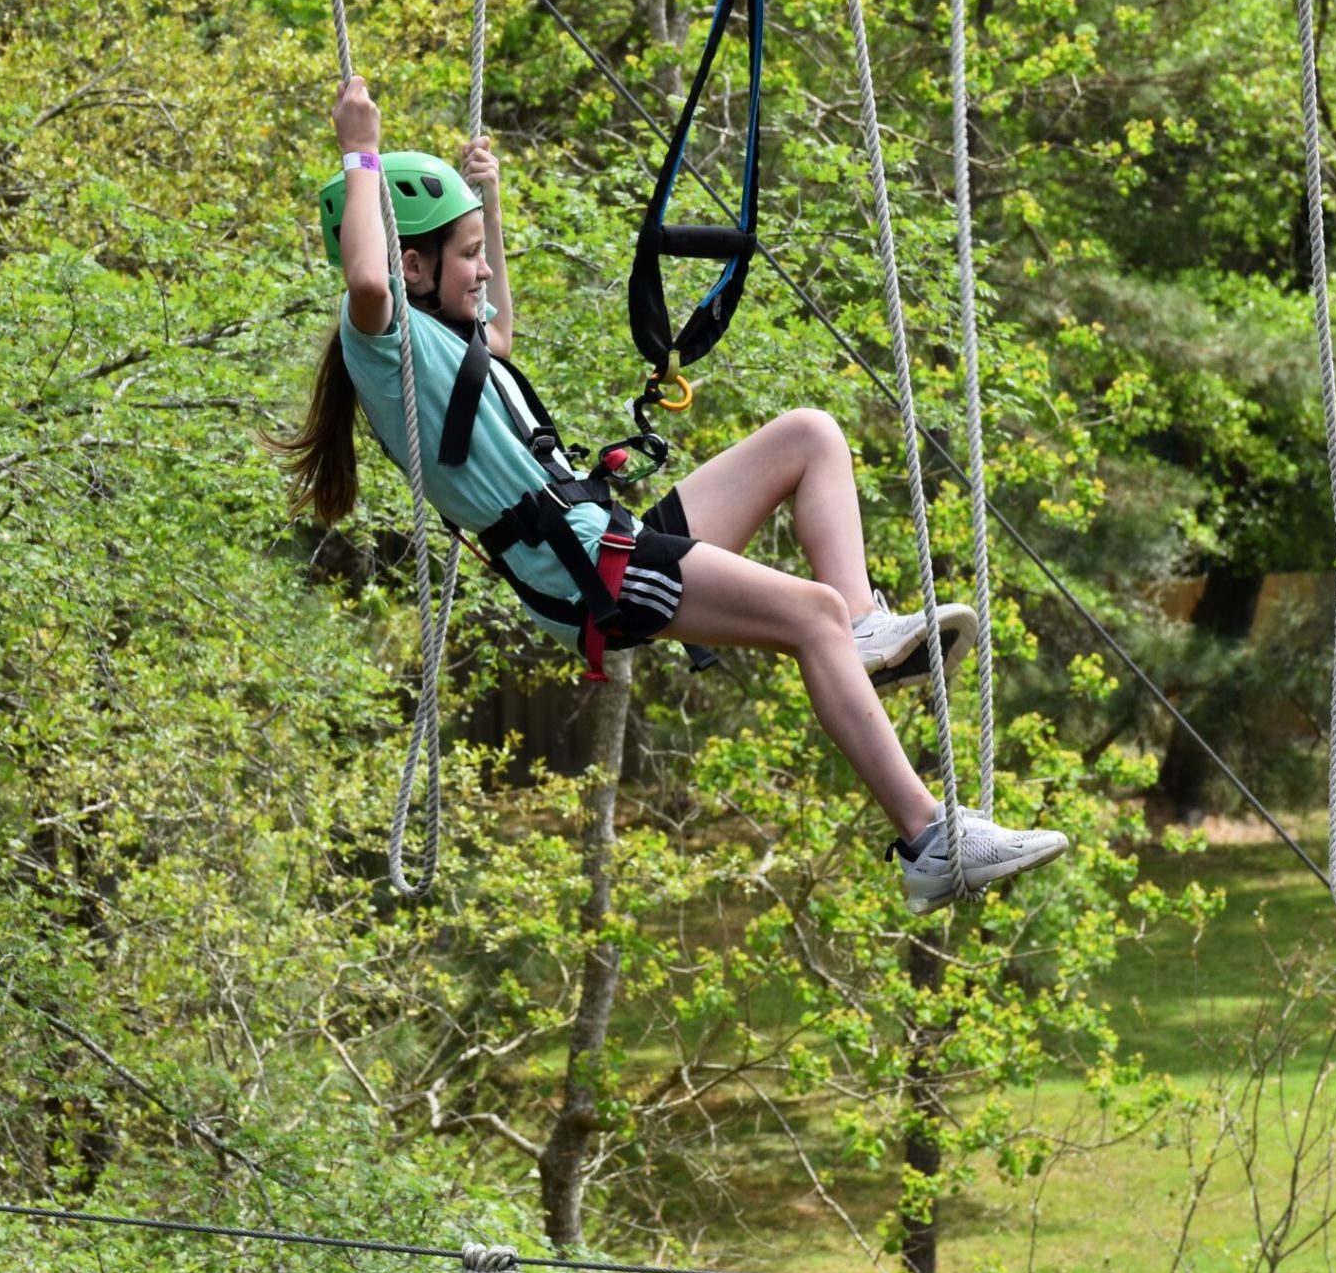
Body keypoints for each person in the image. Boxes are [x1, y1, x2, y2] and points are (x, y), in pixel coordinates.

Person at [271, 76, 1068, 913]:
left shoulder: (446, 338)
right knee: (808, 616)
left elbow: (497, 328)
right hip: (582, 567)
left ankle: (865, 628)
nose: (482, 271)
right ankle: (930, 841)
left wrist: (490, 208)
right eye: (467, 256)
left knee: (810, 436)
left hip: (594, 539)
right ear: (411, 266)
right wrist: (359, 146)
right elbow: (365, 280)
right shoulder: (385, 338)